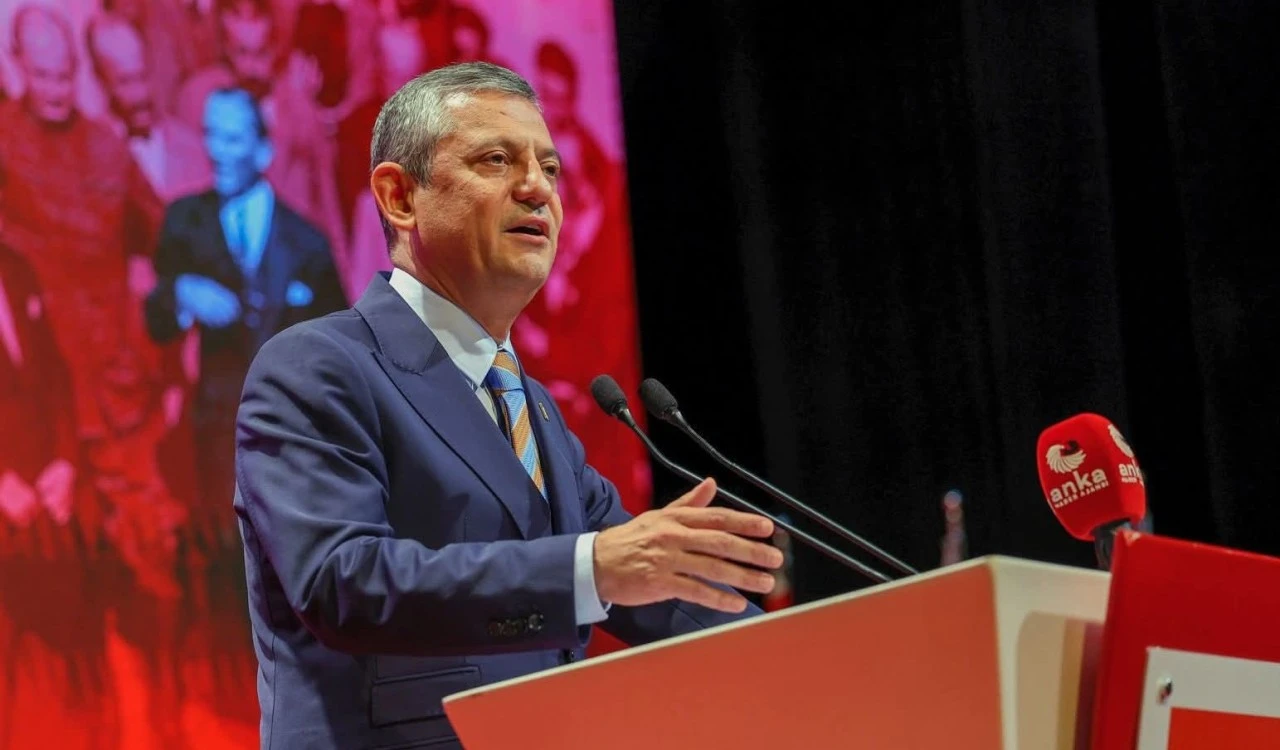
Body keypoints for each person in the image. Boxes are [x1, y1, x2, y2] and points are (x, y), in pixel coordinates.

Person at [234, 62, 781, 749]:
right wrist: (590, 568)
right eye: (496, 160)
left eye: (549, 168)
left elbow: (658, 588)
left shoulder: (534, 410)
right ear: (400, 196)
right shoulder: (318, 366)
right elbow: (344, 582)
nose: (537, 188)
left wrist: (811, 656)